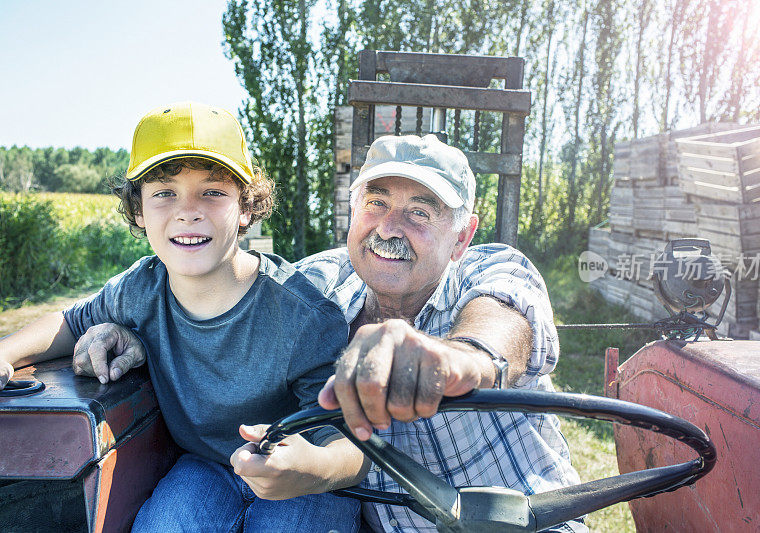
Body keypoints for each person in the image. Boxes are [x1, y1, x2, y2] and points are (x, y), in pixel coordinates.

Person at [60, 134, 585, 532]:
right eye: (376, 202)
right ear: (353, 209)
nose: (389, 227)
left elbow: (502, 326)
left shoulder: (491, 272)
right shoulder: (313, 290)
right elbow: (216, 296)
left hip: (523, 521)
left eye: (420, 212)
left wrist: (457, 360)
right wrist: (125, 332)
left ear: (462, 236)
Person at [0, 102, 366, 533]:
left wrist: (314, 467)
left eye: (212, 192)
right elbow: (70, 322)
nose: (188, 210)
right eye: (164, 193)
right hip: (205, 467)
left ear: (246, 207)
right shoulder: (141, 289)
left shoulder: (303, 315)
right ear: (138, 210)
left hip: (303, 477)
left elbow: (349, 444)